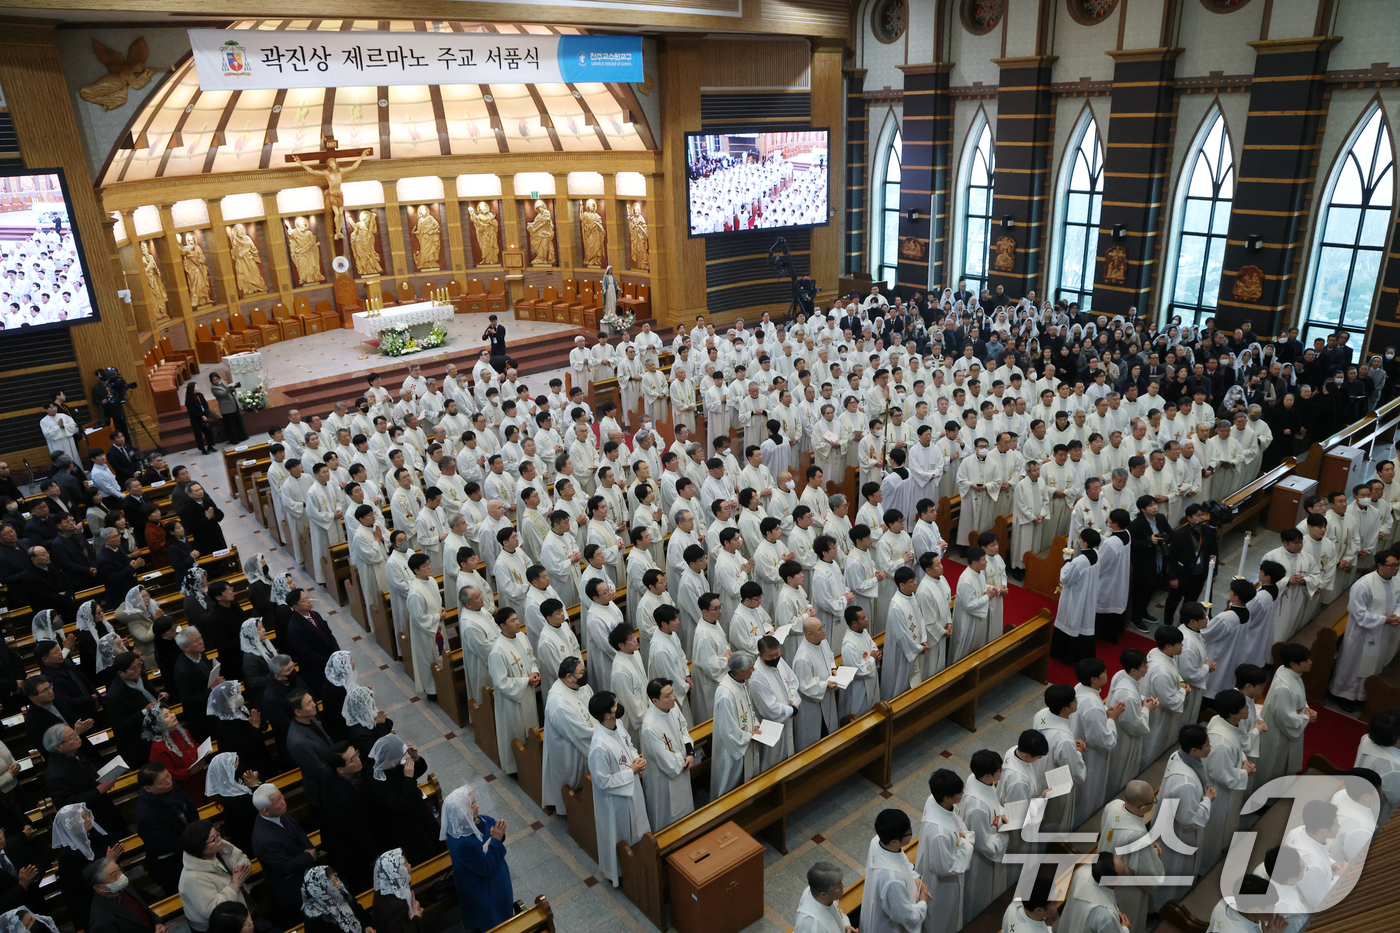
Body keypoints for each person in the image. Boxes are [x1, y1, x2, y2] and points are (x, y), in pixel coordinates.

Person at [587, 691, 649, 887]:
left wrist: (635, 758)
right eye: (615, 705)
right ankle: (620, 872)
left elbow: (628, 745)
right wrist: (631, 771)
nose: (618, 706)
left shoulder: (618, 725)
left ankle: (641, 863)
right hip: (615, 800)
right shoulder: (599, 746)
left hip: (632, 788)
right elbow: (602, 782)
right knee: (620, 834)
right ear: (607, 714)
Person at [1156, 723, 1218, 907]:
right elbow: (1189, 819)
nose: (1210, 747)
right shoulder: (1186, 783)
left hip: (1167, 822)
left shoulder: (1178, 756)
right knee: (1175, 870)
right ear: (1194, 750)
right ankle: (1166, 907)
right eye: (1207, 745)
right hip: (1179, 835)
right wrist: (1207, 800)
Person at [442, 787, 513, 930]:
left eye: (474, 802)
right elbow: (486, 868)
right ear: (461, 813)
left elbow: (491, 826)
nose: (477, 807)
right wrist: (496, 840)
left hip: (496, 879)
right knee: (493, 923)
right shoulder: (462, 843)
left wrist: (498, 832)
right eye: (471, 806)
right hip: (484, 891)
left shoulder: (476, 820)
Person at [364, 735, 442, 864]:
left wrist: (415, 757)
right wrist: (409, 779)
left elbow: (416, 771)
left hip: (419, 813)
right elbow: (399, 805)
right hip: (407, 825)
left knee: (435, 839)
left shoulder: (390, 766)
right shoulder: (375, 781)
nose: (400, 761)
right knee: (426, 853)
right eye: (398, 758)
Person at [1098, 780, 1163, 933]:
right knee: (1128, 917)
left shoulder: (1113, 805)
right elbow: (1148, 873)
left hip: (1104, 868)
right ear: (1143, 808)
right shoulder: (1137, 837)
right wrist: (1153, 853)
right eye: (1153, 800)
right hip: (1125, 887)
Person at [251, 783, 317, 926]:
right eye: (278, 801)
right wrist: (309, 856)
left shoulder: (279, 813)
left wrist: (309, 848)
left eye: (281, 796)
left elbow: (298, 832)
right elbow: (285, 866)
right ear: (266, 811)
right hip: (292, 892)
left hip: (307, 878)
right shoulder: (264, 839)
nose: (283, 801)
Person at [1070, 658, 1124, 827]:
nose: (1107, 674)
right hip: (1091, 757)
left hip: (1077, 743)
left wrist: (1103, 716)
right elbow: (1104, 741)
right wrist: (1111, 719)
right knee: (1088, 792)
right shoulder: (1092, 705)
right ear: (1094, 679)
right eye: (1104, 672)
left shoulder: (1079, 688)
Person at [53, 803, 121, 931]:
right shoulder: (68, 856)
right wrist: (109, 862)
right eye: (82, 818)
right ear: (71, 825)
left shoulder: (92, 833)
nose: (88, 819)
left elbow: (113, 843)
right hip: (91, 903)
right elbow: (84, 883)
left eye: (87, 815)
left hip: (110, 890)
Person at [1258, 642, 1317, 787]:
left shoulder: (1287, 671)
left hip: (1287, 727)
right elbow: (1287, 720)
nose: (1311, 662)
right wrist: (1306, 717)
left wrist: (1306, 708)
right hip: (1279, 736)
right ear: (1294, 664)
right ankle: (1265, 802)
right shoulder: (1284, 687)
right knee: (1274, 768)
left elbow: (1297, 698)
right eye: (1306, 660)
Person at [488, 608, 539, 774]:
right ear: (502, 625)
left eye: (517, 619)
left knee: (532, 730)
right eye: (512, 621)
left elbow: (531, 658)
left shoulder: (522, 637)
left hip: (527, 694)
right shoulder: (498, 651)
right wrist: (526, 680)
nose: (517, 623)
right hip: (512, 702)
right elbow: (501, 682)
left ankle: (534, 760)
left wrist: (535, 672)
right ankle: (515, 768)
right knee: (515, 733)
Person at [319, 743, 376, 894]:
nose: (358, 759)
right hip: (355, 856)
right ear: (340, 769)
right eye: (353, 759)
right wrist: (372, 857)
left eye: (356, 753)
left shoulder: (335, 776)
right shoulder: (343, 798)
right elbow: (356, 832)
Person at [639, 678, 695, 827]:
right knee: (668, 817)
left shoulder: (672, 707)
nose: (673, 698)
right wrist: (683, 760)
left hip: (682, 765)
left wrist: (690, 752)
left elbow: (683, 728)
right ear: (655, 701)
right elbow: (664, 760)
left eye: (672, 693)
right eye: (667, 696)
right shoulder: (649, 727)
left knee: (686, 809)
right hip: (664, 778)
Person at [542, 657, 594, 816]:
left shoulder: (581, 686)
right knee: (570, 784)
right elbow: (578, 733)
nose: (585, 674)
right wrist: (604, 732)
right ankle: (569, 809)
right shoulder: (559, 702)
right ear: (569, 677)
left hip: (586, 737)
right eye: (582, 672)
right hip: (568, 750)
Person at [177, 820, 251, 932]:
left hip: (240, 914)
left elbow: (241, 858)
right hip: (219, 927)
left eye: (217, 833)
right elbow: (213, 910)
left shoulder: (220, 847)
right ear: (200, 848)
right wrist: (234, 885)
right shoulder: (192, 879)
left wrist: (241, 869)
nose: (219, 839)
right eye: (214, 839)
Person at [864, 808, 929, 933]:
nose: (911, 833)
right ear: (894, 841)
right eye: (908, 832)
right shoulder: (892, 879)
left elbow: (901, 859)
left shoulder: (878, 841)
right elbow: (904, 916)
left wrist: (914, 877)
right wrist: (922, 902)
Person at [1032, 684, 1085, 833]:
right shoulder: (1064, 739)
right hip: (1053, 780)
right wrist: (1078, 752)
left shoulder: (1041, 714)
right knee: (1051, 819)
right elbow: (1076, 772)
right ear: (1065, 709)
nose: (1076, 701)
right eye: (1074, 700)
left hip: (1036, 769)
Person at [1052, 529, 1102, 663]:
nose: (1079, 540)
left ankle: (1066, 655)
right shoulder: (1096, 554)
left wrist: (1067, 561)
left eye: (1080, 538)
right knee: (1083, 621)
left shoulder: (1080, 561)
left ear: (1084, 543)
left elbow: (1066, 578)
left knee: (1071, 621)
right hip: (1088, 595)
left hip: (1076, 597)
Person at [144, 706, 206, 805]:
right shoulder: (158, 748)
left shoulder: (182, 732)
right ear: (158, 723)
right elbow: (168, 775)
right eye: (166, 716)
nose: (172, 716)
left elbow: (193, 745)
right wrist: (189, 772)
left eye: (171, 712)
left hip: (200, 778)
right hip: (184, 789)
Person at [85, 857, 165, 933]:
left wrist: (157, 923)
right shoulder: (102, 922)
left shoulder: (122, 886)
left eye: (119, 870)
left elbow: (143, 908)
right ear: (99, 887)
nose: (121, 876)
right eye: (114, 876)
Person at [1058, 852, 1132, 933]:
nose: (1126, 871)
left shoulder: (1083, 871)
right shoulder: (1105, 915)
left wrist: (1115, 909)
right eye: (1122, 873)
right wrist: (1125, 928)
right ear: (1110, 882)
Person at [202, 753, 259, 857]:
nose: (238, 765)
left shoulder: (239, 788)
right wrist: (255, 787)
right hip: (253, 844)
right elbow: (260, 809)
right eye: (234, 765)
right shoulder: (234, 803)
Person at [301, 867, 372, 933]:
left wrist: (366, 926)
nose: (338, 884)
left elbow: (359, 912)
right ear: (321, 890)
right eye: (333, 883)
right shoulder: (314, 922)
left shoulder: (342, 895)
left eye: (336, 879)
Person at [795, 862, 856, 933]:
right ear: (823, 894)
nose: (843, 886)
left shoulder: (818, 891)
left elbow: (836, 911)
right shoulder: (814, 927)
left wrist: (846, 925)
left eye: (841, 882)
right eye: (839, 886)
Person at [370, 849, 421, 933]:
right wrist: (417, 918)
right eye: (404, 864)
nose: (409, 865)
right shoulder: (397, 905)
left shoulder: (384, 892)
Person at [208, 374, 246, 446]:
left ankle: (242, 436)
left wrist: (233, 387)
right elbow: (223, 394)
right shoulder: (213, 388)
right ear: (211, 381)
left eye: (217, 379)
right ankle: (234, 440)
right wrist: (229, 387)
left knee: (238, 421)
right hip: (226, 408)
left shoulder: (222, 381)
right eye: (214, 380)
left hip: (232, 404)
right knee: (230, 425)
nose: (216, 381)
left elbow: (229, 391)